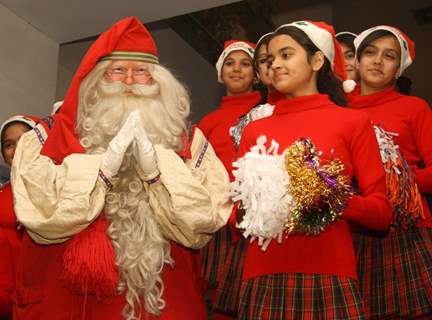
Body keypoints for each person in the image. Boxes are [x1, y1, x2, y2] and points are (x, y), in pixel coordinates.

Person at [11, 16, 231, 320]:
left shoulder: (191, 142)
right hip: (75, 302)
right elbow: (39, 215)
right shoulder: (45, 140)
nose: (129, 81)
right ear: (98, 79)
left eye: (140, 71)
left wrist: (158, 171)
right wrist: (99, 170)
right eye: (118, 70)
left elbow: (205, 219)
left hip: (166, 302)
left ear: (158, 81)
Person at [229, 20, 392, 319]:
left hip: (330, 270)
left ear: (317, 60)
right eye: (270, 59)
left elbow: (381, 214)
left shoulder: (353, 122)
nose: (275, 64)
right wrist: (252, 205)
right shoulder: (254, 130)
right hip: (263, 272)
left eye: (286, 55)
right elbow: (237, 220)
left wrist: (328, 195)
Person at [347, 25, 432, 319]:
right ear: (357, 61)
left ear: (398, 69)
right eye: (370, 52)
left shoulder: (414, 108)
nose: (377, 61)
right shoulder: (337, 109)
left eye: (388, 56)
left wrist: (397, 181)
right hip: (351, 228)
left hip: (407, 229)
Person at [197, 39, 260, 319]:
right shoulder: (208, 122)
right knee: (214, 293)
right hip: (219, 216)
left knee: (250, 293)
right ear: (220, 73)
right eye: (230, 64)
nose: (237, 70)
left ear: (257, 73)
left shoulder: (266, 112)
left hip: (255, 215)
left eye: (245, 64)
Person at [0, 115, 37, 319]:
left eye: (25, 141)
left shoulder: (55, 194)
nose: (16, 150)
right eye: (8, 145)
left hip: (32, 302)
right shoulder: (2, 193)